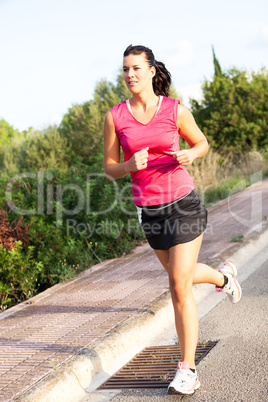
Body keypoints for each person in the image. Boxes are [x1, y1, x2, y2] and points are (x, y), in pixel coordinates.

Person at [103, 44, 242, 395]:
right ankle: (224, 278)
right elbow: (109, 169)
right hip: (148, 212)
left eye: (136, 68)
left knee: (179, 285)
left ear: (151, 71)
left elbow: (202, 143)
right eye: (125, 69)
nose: (130, 75)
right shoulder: (115, 117)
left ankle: (188, 369)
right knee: (179, 276)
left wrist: (190, 153)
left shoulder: (174, 110)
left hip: (183, 204)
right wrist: (128, 166)